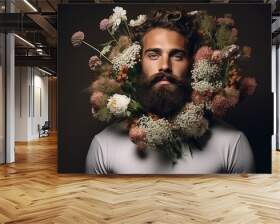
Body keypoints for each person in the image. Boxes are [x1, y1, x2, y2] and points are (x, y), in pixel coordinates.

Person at [86, 9, 255, 174]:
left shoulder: (232, 144)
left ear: (192, 64)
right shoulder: (104, 146)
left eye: (177, 56)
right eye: (153, 55)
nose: (165, 65)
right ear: (137, 63)